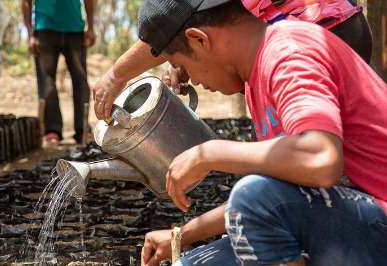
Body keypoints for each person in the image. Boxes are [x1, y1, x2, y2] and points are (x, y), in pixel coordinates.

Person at [135, 0, 387, 265]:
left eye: (181, 65)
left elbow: (321, 159)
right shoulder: (257, 80)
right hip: (345, 221)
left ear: (199, 40)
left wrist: (210, 152)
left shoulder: (289, 52)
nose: (192, 80)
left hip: (377, 222)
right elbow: (279, 195)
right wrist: (182, 235)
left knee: (252, 195)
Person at [92, 0, 372, 121]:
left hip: (324, 31)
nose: (196, 80)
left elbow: (317, 160)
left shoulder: (290, 60)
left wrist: (117, 74)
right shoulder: (261, 62)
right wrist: (182, 56)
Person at [22, 0, 96, 145]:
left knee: (81, 79)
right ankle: (52, 130)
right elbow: (26, 2)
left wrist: (91, 28)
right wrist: (30, 34)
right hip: (44, 29)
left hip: (75, 28)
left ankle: (83, 129)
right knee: (46, 81)